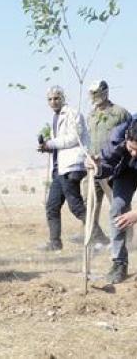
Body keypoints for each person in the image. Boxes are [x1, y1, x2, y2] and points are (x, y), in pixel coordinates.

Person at [37, 86, 106, 251]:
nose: (53, 102)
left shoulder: (72, 113)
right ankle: (55, 243)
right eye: (50, 99)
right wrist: (47, 146)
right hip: (59, 168)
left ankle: (101, 238)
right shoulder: (55, 117)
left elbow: (74, 138)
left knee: (76, 207)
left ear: (63, 98)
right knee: (52, 206)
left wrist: (51, 143)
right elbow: (61, 142)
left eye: (56, 98)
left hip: (71, 167)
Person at [90, 117, 137, 283]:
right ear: (127, 138)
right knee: (117, 208)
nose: (135, 154)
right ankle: (119, 262)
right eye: (132, 148)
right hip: (126, 171)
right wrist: (96, 167)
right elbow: (107, 162)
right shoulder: (117, 135)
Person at [84, 80, 130, 246]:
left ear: (105, 92)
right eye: (92, 94)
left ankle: (124, 240)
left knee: (117, 205)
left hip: (113, 166)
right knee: (89, 204)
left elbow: (130, 135)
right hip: (94, 166)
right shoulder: (91, 116)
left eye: (97, 93)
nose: (94, 97)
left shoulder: (119, 113)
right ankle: (96, 238)